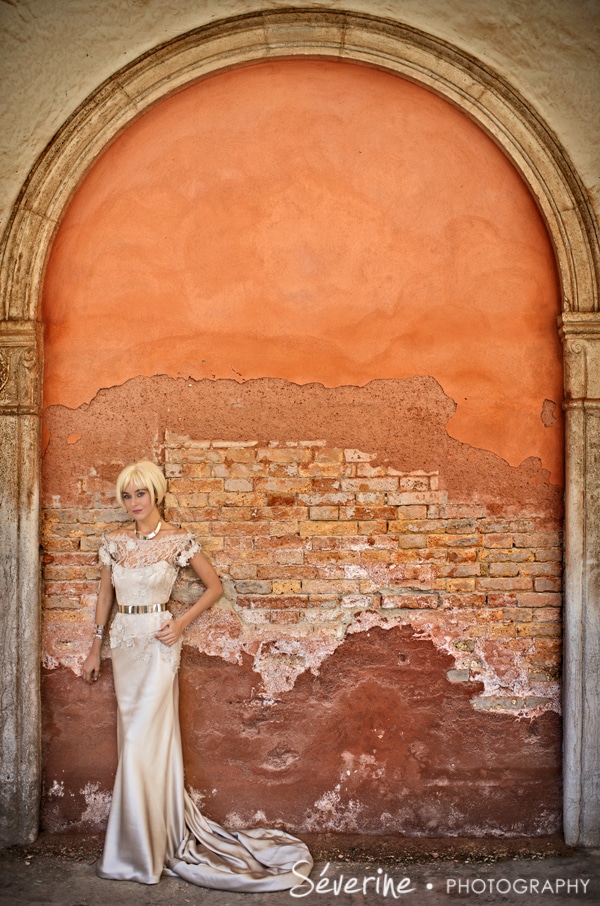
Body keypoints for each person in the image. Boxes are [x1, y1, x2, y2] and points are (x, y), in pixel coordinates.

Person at [81, 460, 312, 890]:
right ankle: (144, 838)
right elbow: (104, 596)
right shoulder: (113, 543)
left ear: (156, 494)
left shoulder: (177, 541)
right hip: (124, 646)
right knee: (133, 739)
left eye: (140, 494)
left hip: (159, 644)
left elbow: (214, 587)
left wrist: (180, 623)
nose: (133, 502)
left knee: (138, 742)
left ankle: (136, 851)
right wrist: (95, 647)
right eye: (127, 495)